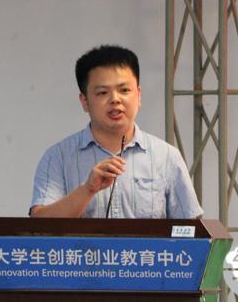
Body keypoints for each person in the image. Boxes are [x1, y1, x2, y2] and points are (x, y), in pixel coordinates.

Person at [29, 45, 202, 219]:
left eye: (124, 90)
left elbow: (190, 229)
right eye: (102, 92)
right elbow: (39, 223)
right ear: (85, 101)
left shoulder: (167, 157)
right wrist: (87, 189)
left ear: (138, 95)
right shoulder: (58, 157)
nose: (115, 99)